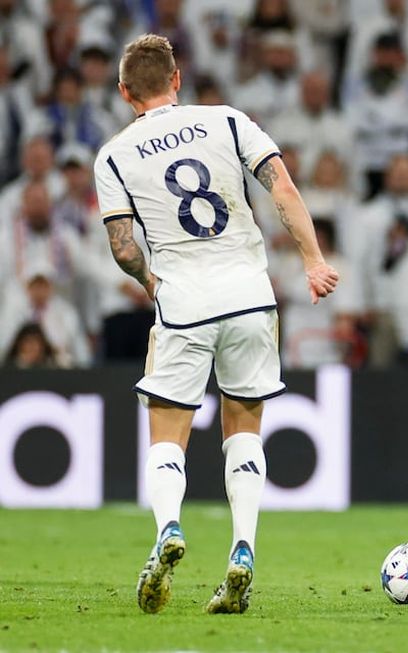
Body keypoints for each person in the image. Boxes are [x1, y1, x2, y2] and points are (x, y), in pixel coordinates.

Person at [94, 34, 338, 615]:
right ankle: (244, 547)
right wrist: (312, 260)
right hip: (250, 294)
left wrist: (151, 284)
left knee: (168, 431)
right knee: (245, 428)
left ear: (126, 92)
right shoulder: (228, 122)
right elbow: (281, 187)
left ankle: (169, 529)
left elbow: (123, 246)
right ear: (177, 79)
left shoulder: (114, 155)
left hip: (184, 300)